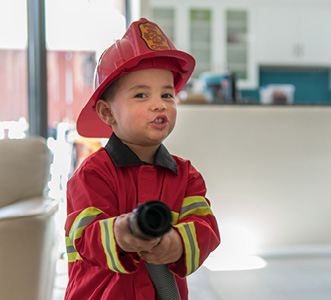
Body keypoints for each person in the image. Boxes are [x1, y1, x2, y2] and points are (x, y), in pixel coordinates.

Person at [64, 18, 220, 300]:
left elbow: (206, 227)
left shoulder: (186, 176)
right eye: (141, 95)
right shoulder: (91, 174)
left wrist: (178, 243)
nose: (159, 104)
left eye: (167, 94)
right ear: (107, 113)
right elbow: (84, 237)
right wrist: (120, 233)